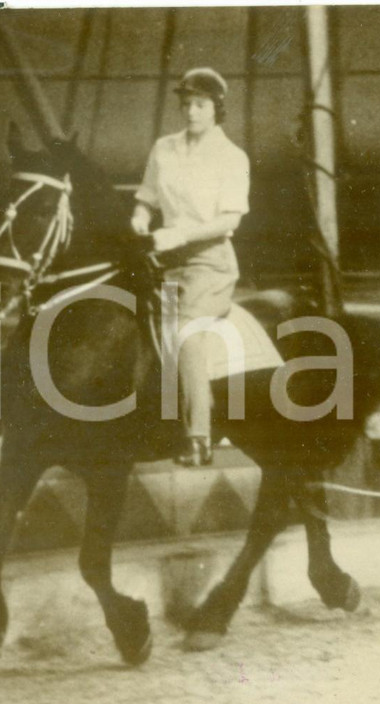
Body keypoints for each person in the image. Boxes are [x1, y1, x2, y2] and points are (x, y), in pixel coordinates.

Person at [131, 67, 250, 467]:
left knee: (186, 331)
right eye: (186, 105)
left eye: (199, 105)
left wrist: (181, 236)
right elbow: (146, 197)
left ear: (216, 107)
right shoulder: (163, 148)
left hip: (209, 263)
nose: (191, 112)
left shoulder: (232, 157)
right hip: (163, 258)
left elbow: (229, 220)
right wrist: (140, 219)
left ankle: (199, 436)